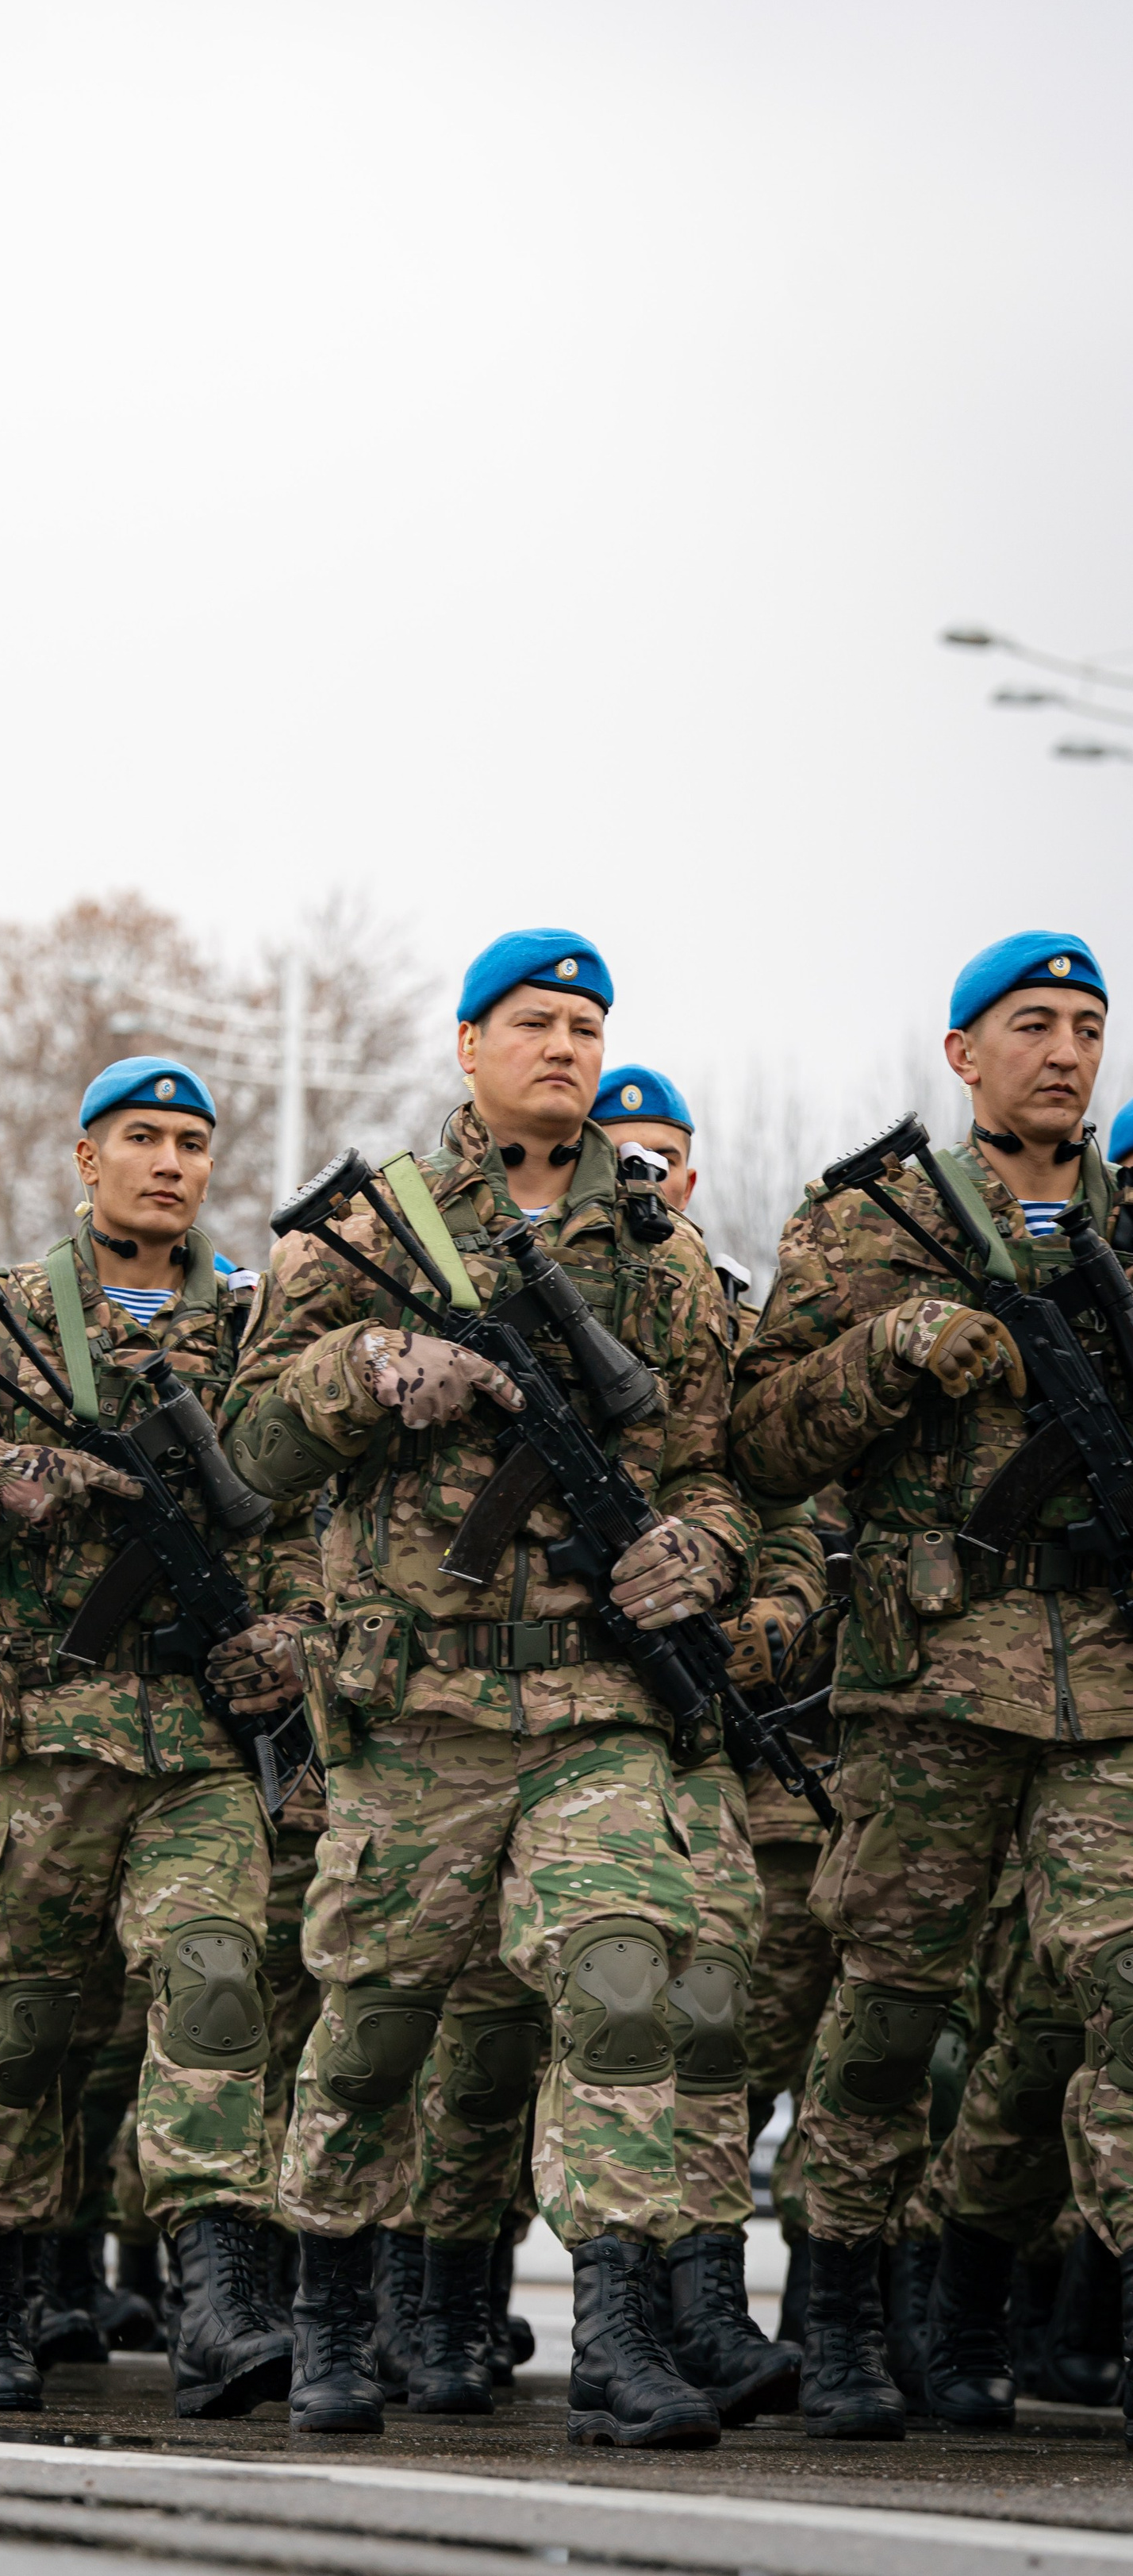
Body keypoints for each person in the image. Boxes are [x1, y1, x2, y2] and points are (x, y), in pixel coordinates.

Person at [221, 933, 755, 2448]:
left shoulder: (655, 1252)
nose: (570, 1047)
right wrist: (367, 1372)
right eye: (539, 1021)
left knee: (621, 1979)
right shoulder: (366, 1233)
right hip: (418, 1713)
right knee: (377, 2021)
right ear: (468, 1043)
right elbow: (251, 1453)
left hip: (597, 1707)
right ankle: (331, 2316)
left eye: (592, 1025)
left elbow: (716, 1466)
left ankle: (621, 2336)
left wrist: (698, 1551)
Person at [0, 1068, 322, 2419]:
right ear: (85, 1158)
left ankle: (220, 2300)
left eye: (192, 1143)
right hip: (34, 1744)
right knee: (19, 2026)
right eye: (143, 1140)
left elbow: (306, 1517)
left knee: (219, 1977)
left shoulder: (252, 1326)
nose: (170, 1164)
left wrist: (292, 1630)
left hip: (194, 1741)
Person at [733, 930, 1133, 2441]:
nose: (1067, 1050)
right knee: (890, 2006)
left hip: (1110, 1681)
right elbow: (765, 1441)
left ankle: (977, 2296)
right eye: (1033, 1023)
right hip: (930, 1685)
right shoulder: (866, 1225)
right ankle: (843, 2305)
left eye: (1090, 1025)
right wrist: (887, 1353)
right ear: (964, 1053)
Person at [589, 1061, 812, 2420]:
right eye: (621, 1155)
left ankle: (706, 2304)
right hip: (551, 1709)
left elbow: (778, 1493)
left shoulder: (727, 1322)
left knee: (714, 2007)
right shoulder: (530, 1296)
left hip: (700, 1717)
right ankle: (418, 2301)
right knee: (564, 2014)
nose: (647, 1179)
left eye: (665, 1159)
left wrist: (771, 1608)